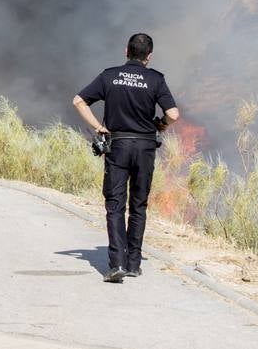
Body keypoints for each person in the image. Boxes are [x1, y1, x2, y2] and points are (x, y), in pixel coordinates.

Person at [73, 33, 179, 283]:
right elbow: (173, 114)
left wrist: (99, 127)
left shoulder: (109, 75)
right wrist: (161, 125)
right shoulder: (155, 79)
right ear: (149, 56)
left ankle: (116, 264)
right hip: (144, 148)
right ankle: (133, 264)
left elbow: (78, 101)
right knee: (138, 206)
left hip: (118, 146)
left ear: (126, 51)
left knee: (115, 206)